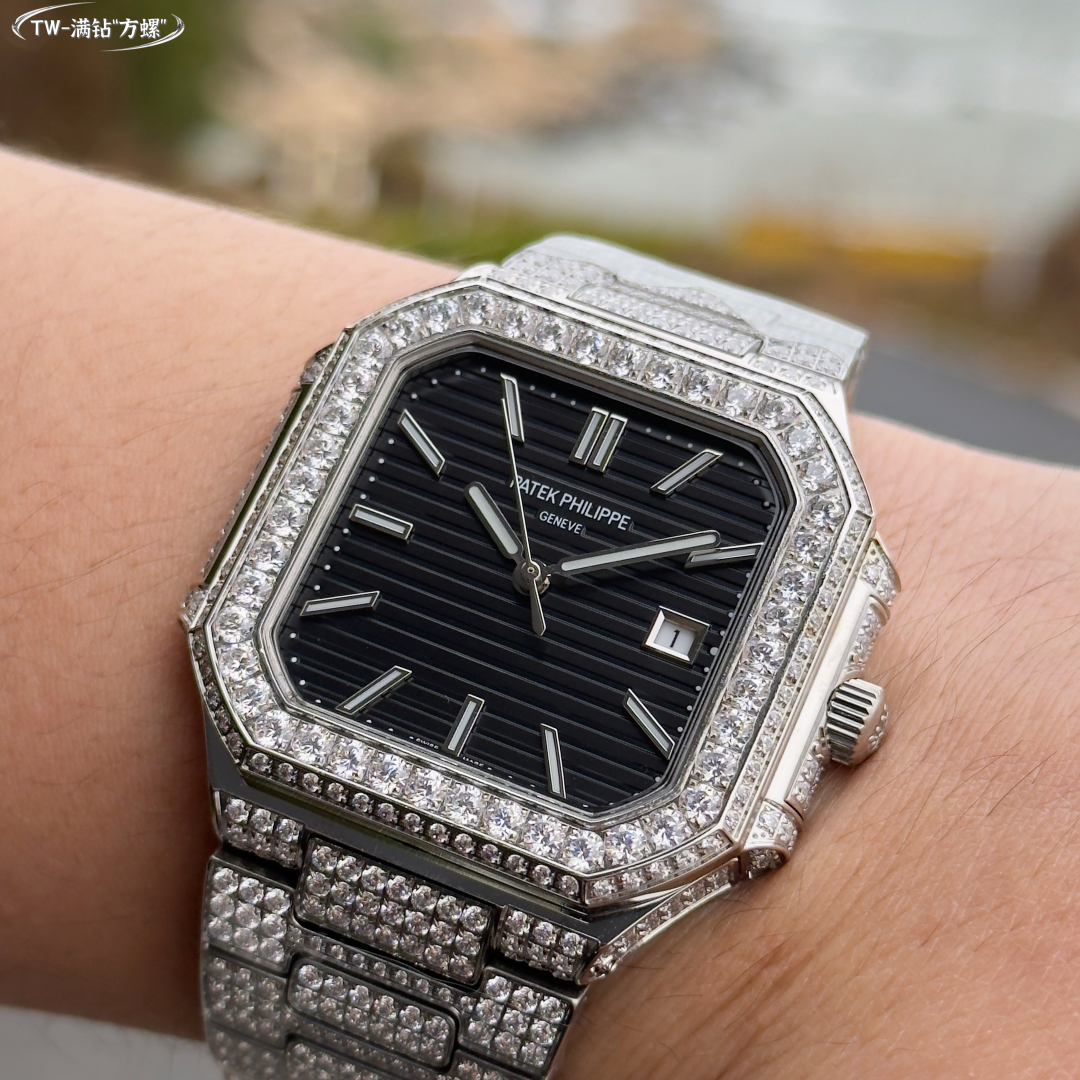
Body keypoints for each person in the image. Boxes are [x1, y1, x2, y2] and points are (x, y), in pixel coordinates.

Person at [1, 147, 1076, 1080]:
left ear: (836, 719)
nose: (539, 578)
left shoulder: (782, 510)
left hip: (534, 897)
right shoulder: (444, 377)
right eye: (535, 570)